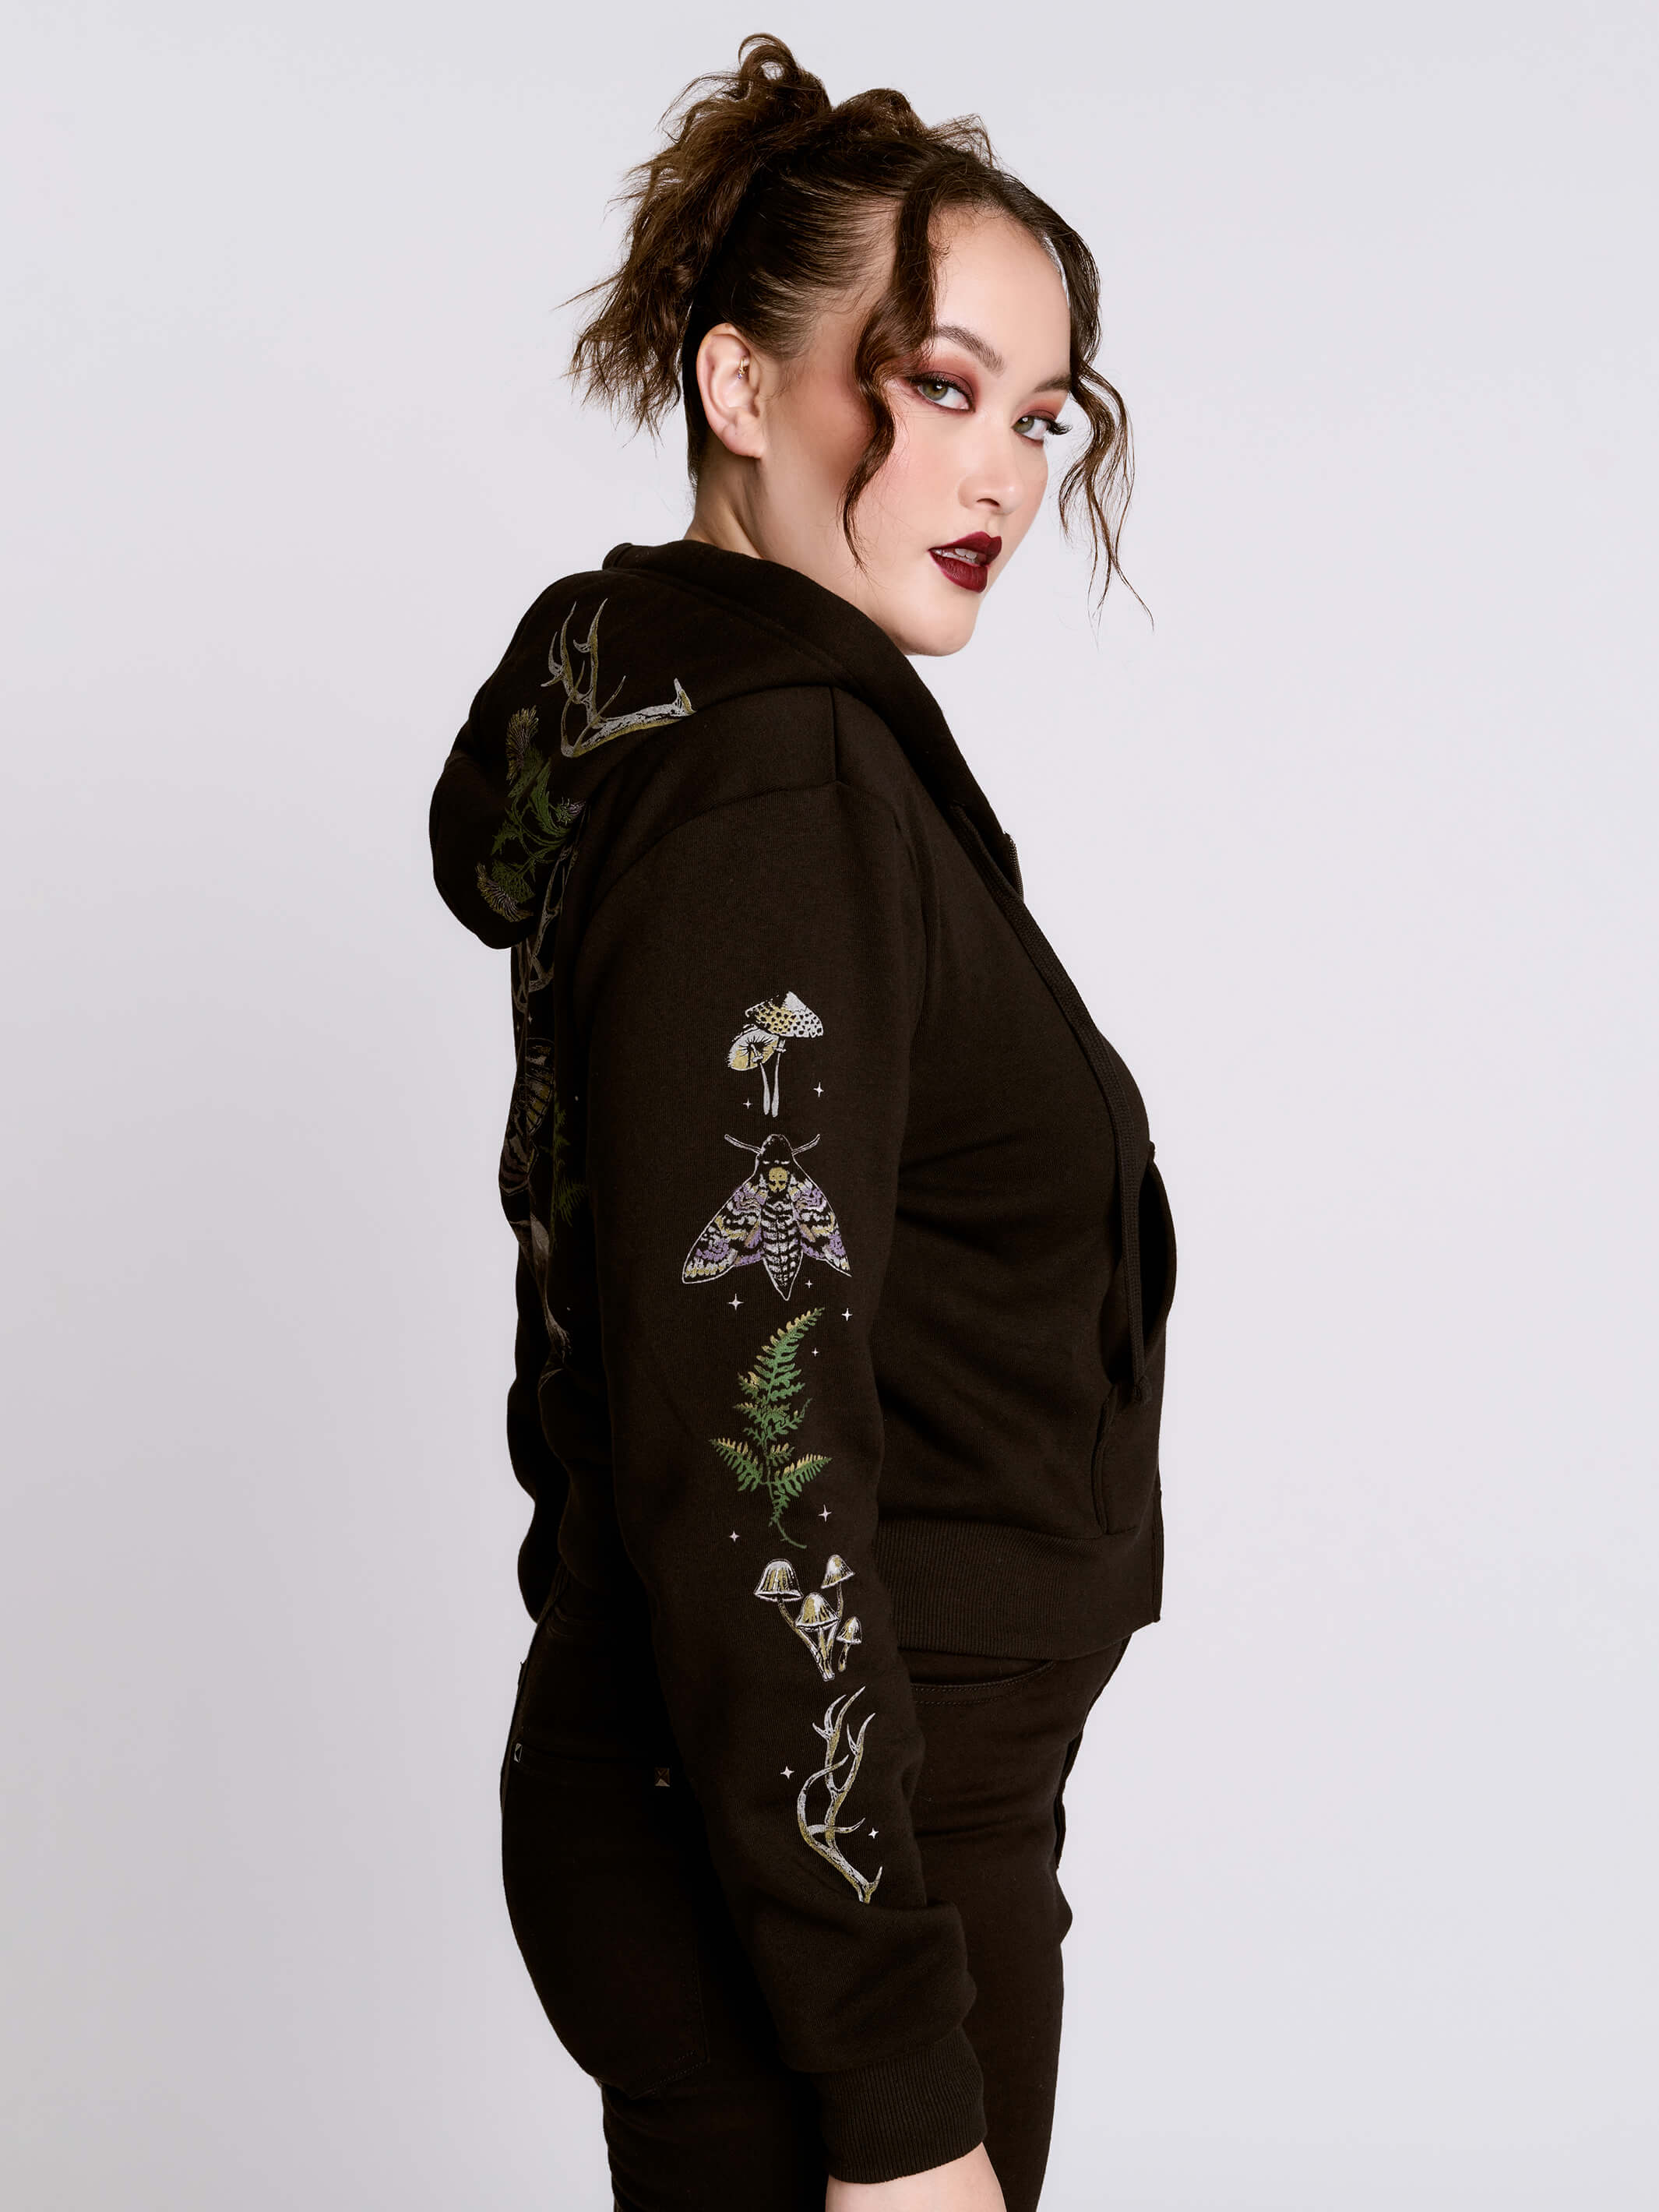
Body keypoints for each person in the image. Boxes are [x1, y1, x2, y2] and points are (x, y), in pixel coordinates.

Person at [429, 34, 1176, 2212]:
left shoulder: (729, 731)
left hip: (814, 1829)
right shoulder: (778, 773)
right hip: (823, 1869)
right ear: (740, 386)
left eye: (1039, 415)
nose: (1001, 471)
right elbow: (746, 1442)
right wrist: (892, 2080)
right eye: (938, 386)